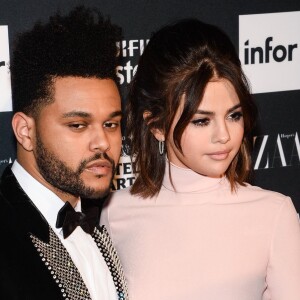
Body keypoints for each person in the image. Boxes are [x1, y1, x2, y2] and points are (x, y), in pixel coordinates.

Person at [101, 19, 300, 300]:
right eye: (202, 121)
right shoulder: (115, 212)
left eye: (234, 115)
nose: (224, 135)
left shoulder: (274, 215)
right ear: (156, 126)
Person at [0, 6, 128, 300]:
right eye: (78, 125)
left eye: (111, 124)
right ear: (25, 131)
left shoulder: (103, 223)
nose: (103, 143)